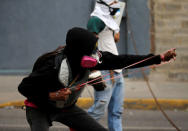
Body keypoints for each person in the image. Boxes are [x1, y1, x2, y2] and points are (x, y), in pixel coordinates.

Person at [18, 27, 176, 131]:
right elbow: (24, 87)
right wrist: (49, 95)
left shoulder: (93, 59)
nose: (96, 53)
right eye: (91, 49)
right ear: (79, 51)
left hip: (67, 108)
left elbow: (123, 60)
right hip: (40, 108)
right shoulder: (52, 65)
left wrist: (159, 58)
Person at [87, 0, 126, 131]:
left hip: (117, 70)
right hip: (105, 72)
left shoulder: (110, 20)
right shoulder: (96, 19)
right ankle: (77, 125)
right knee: (97, 111)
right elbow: (90, 44)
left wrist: (116, 29)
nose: (116, 2)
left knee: (116, 112)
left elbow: (115, 38)